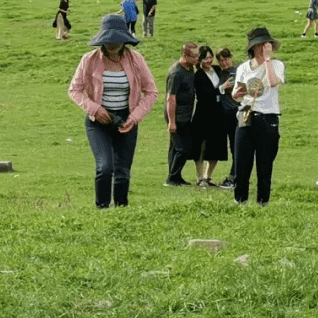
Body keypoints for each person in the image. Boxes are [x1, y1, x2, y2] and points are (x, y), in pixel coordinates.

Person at [68, 14, 158, 208]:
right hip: (98, 121)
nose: (113, 45)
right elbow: (74, 90)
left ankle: (121, 210)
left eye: (117, 40)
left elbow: (151, 92)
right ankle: (102, 209)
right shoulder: (89, 60)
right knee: (104, 167)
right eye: (109, 40)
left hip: (127, 120)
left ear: (124, 39)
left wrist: (134, 117)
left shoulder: (136, 60)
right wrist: (94, 109)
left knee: (123, 170)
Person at [231, 27, 285, 205]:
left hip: (267, 117)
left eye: (266, 44)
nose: (263, 47)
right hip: (246, 115)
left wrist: (268, 60)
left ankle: (263, 202)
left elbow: (272, 82)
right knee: (241, 163)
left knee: (264, 164)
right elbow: (235, 95)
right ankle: (240, 201)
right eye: (260, 44)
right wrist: (237, 93)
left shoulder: (277, 65)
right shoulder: (243, 68)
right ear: (253, 47)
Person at [192, 45, 230, 188]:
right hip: (203, 113)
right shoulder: (198, 75)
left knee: (217, 144)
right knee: (201, 145)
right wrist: (221, 88)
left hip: (218, 113)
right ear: (199, 60)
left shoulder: (217, 70)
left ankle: (208, 176)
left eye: (210, 57)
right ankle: (199, 177)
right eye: (205, 58)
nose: (208, 60)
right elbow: (204, 94)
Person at [164, 42, 199, 187]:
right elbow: (170, 98)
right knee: (183, 148)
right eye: (194, 56)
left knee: (174, 147)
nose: (197, 59)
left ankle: (175, 177)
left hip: (186, 114)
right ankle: (172, 178)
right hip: (176, 114)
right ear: (185, 55)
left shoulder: (190, 68)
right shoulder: (176, 73)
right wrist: (172, 122)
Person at [215, 47, 240, 189]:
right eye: (221, 60)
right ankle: (234, 176)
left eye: (226, 59)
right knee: (231, 147)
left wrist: (222, 88)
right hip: (224, 114)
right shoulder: (220, 73)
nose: (224, 63)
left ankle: (234, 177)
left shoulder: (235, 72)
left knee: (236, 146)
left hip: (234, 112)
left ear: (230, 57)